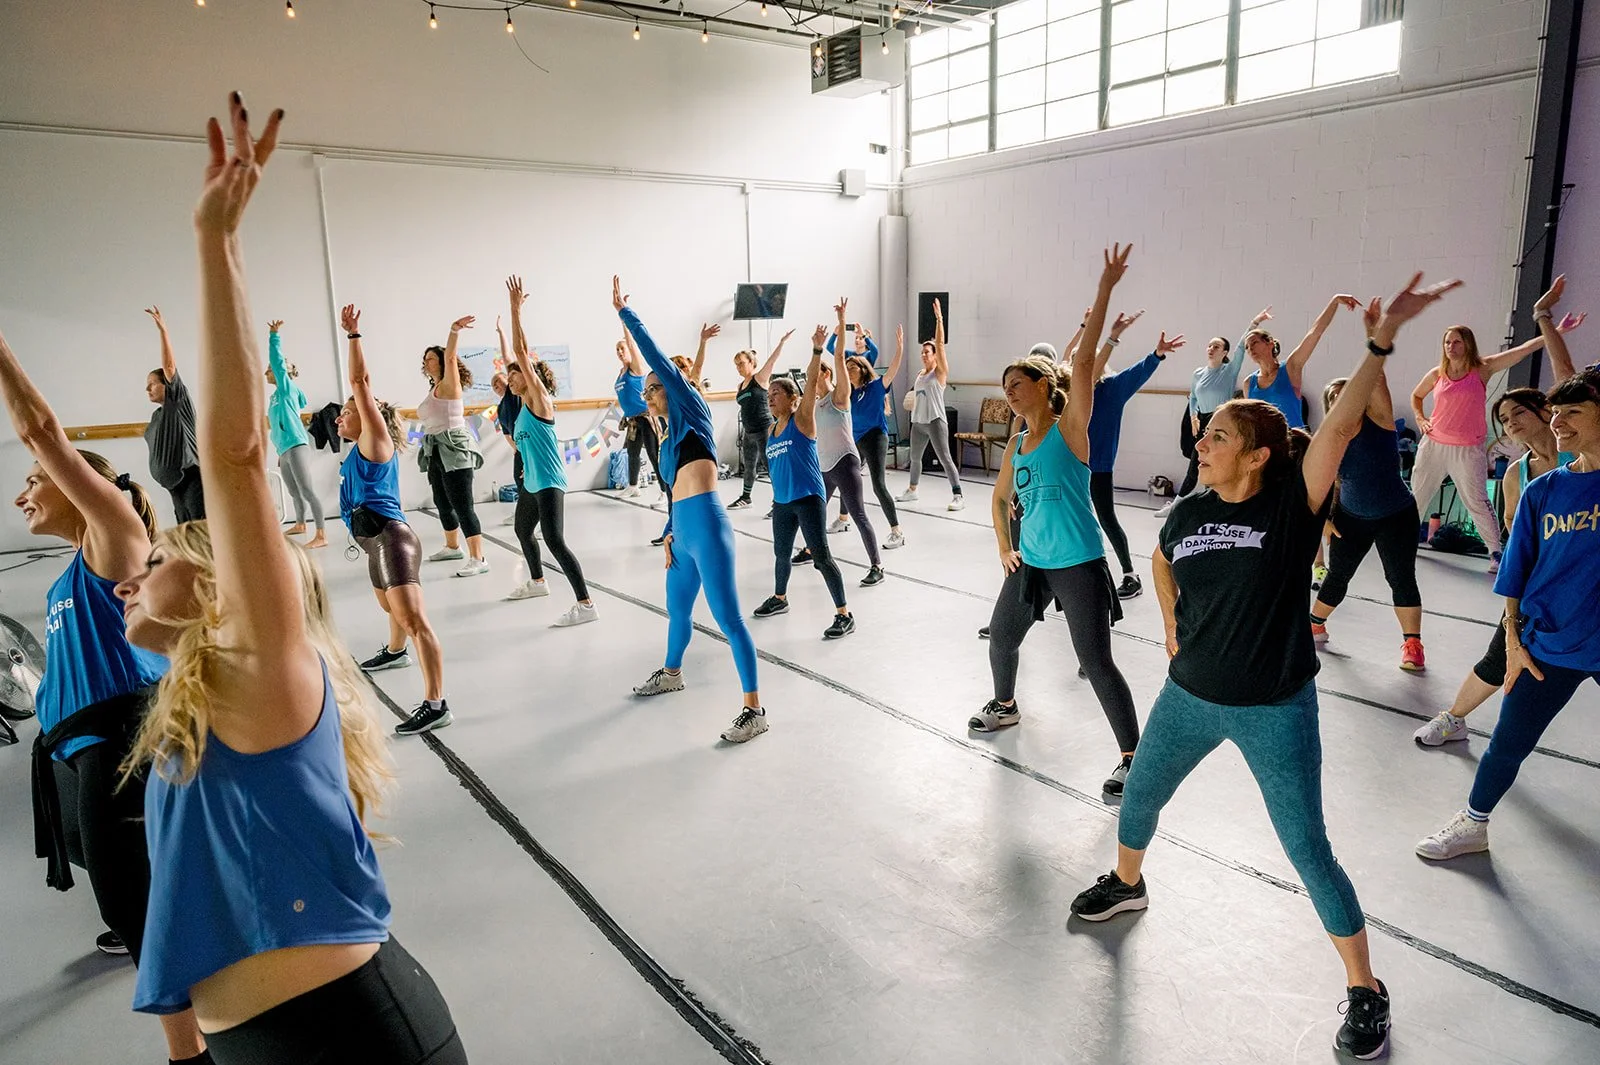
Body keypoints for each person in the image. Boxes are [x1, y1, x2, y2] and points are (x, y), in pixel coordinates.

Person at [113, 96, 466, 1064]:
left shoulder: (261, 671)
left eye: (157, 565)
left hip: (349, 1035)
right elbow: (185, 888)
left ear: (221, 594)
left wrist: (217, 240)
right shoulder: (182, 703)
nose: (131, 581)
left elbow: (232, 458)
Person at [1069, 272, 1463, 1061]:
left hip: (1274, 707)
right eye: (1203, 434)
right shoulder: (1188, 508)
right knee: (1139, 795)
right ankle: (1130, 883)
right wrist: (1175, 620)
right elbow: (1158, 555)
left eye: (1215, 435)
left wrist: (1380, 344)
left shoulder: (1288, 508)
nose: (1200, 444)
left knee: (1307, 847)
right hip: (1188, 695)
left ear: (1254, 454)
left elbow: (1342, 429)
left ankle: (1365, 988)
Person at [4, 331, 208, 1063]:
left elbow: (41, 428)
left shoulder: (114, 536)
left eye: (37, 477)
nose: (24, 489)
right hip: (85, 749)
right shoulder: (67, 575)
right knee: (122, 886)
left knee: (134, 906)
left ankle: (193, 1050)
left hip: (125, 745)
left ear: (79, 486)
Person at [970, 246, 1142, 798]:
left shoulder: (1070, 428)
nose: (1009, 393)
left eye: (1016, 384)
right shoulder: (1016, 444)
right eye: (1005, 388)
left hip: (1077, 561)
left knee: (1095, 660)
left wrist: (1104, 290)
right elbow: (998, 501)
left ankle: (1131, 756)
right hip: (1032, 562)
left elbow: (1086, 361)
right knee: (1001, 636)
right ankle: (1006, 705)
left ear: (1043, 385)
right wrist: (1003, 546)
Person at [1414, 366, 1600, 862]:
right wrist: (1514, 643)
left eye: (1573, 412)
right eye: (1555, 412)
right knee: (1507, 743)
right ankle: (1474, 823)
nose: (1558, 421)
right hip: (1548, 645)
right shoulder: (1542, 490)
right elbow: (1514, 573)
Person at [1412, 276, 1582, 746]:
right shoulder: (1517, 474)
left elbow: (1562, 373)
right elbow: (1521, 542)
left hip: (1589, 589)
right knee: (1497, 657)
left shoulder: (1582, 454)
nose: (1510, 425)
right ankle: (1454, 718)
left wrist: (1547, 322)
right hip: (1543, 592)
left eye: (1518, 415)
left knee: (1474, 505)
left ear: (1546, 411)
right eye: (1504, 421)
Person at [615, 277, 767, 743]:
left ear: (676, 388)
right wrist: (668, 530)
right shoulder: (663, 437)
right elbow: (673, 492)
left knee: (730, 619)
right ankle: (672, 671)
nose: (651, 394)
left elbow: (658, 361)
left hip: (709, 525)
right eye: (648, 392)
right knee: (677, 610)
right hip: (682, 530)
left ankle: (754, 709)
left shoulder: (692, 408)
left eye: (656, 388)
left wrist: (626, 316)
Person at [339, 304, 454, 737]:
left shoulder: (375, 441)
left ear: (368, 417)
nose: (339, 417)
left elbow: (360, 383)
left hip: (392, 539)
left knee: (414, 619)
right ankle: (394, 651)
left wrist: (354, 336)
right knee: (389, 606)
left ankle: (436, 702)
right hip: (374, 543)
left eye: (346, 412)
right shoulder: (354, 452)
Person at [1408, 314, 1561, 573]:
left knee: (1477, 502)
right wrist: (1421, 419)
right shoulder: (1437, 373)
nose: (1451, 347)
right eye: (1447, 342)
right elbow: (1416, 395)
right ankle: (1404, 545)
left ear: (1467, 344)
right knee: (1417, 498)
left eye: (1456, 342)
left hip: (1467, 449)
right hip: (1433, 446)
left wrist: (1555, 330)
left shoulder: (1481, 369)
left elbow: (1522, 350)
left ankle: (1496, 553)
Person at [1308, 367, 1426, 671]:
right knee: (1338, 576)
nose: (1343, 399)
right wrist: (1325, 519)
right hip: (1351, 518)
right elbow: (1320, 486)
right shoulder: (1328, 440)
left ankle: (1413, 644)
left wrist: (1376, 332)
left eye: (1349, 394)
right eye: (1336, 397)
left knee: (1400, 578)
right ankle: (1315, 625)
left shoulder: (1382, 421)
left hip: (1396, 515)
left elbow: (1379, 377)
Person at [750, 313, 857, 638]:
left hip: (809, 500)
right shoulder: (771, 430)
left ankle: (844, 613)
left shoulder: (803, 420)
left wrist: (816, 351)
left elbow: (811, 383)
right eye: (768, 396)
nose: (770, 400)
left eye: (776, 395)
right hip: (782, 503)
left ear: (793, 399)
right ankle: (780, 597)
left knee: (821, 558)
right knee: (781, 554)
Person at [502, 275, 597, 624]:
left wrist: (515, 312)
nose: (510, 379)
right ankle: (538, 581)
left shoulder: (540, 401)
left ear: (530, 377)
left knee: (555, 541)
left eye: (516, 374)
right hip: (532, 481)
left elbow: (521, 352)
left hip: (550, 481)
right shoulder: (521, 408)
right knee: (522, 530)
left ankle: (586, 605)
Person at [1086, 315, 1184, 599]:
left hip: (1099, 468)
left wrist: (1157, 355)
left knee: (1106, 518)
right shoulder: (1072, 393)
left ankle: (1130, 575)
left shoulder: (1112, 388)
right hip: (1071, 466)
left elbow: (1138, 371)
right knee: (1077, 521)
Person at [1155, 311, 1267, 518]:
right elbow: (1193, 397)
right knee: (1195, 466)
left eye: (1216, 346)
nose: (1211, 349)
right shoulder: (1198, 373)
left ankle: (1220, 505)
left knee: (1220, 465)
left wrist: (1254, 323)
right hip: (1202, 422)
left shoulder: (1229, 371)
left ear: (1225, 352)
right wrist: (1193, 417)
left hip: (1223, 422)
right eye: (1209, 345)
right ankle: (1177, 507)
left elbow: (1242, 347)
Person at [417, 315, 488, 577]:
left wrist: (454, 331)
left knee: (462, 504)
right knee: (441, 501)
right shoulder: (434, 387)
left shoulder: (450, 384)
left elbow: (450, 358)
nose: (427, 362)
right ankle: (452, 546)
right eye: (424, 359)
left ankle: (479, 558)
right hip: (435, 449)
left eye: (431, 358)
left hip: (455, 448)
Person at [816, 314, 885, 586]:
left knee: (858, 515)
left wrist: (841, 323)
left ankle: (877, 565)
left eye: (817, 373)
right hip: (824, 465)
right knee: (816, 509)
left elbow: (836, 360)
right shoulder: (816, 400)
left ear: (828, 374)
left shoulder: (839, 395)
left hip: (845, 463)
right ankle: (814, 550)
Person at [1241, 295, 1359, 430]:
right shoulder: (1248, 383)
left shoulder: (1291, 367)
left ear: (1270, 343)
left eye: (1254, 343)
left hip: (1295, 444)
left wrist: (1335, 301)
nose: (1250, 349)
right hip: (1266, 448)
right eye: (1247, 347)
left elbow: (1314, 333)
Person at [264, 319, 328, 549]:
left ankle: (321, 534)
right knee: (293, 491)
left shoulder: (286, 388)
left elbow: (278, 363)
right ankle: (301, 524)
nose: (266, 372)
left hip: (297, 445)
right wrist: (280, 451)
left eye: (270, 369)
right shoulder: (274, 397)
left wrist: (274, 336)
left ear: (285, 373)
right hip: (285, 449)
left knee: (307, 490)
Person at [844, 323, 907, 549]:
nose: (848, 371)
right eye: (846, 368)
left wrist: (900, 348)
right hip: (856, 438)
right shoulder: (850, 394)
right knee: (846, 478)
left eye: (852, 368)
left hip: (875, 437)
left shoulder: (876, 386)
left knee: (878, 485)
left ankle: (896, 531)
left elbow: (893, 369)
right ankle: (843, 520)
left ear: (862, 369)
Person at [898, 300, 964, 511]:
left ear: (935, 356)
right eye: (922, 352)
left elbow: (941, 344)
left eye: (928, 352)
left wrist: (939, 319)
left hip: (935, 421)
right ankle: (912, 490)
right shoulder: (920, 374)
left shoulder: (940, 373)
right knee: (915, 457)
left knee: (945, 458)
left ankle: (958, 495)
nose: (924, 354)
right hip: (918, 422)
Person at [143, 306, 206, 523]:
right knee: (184, 526)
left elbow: (169, 366)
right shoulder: (157, 416)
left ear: (168, 386)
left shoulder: (178, 403)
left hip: (191, 477)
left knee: (199, 527)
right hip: (174, 484)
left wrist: (163, 331)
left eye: (152, 384)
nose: (148, 389)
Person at [728, 332, 789, 509]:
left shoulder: (760, 378)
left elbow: (772, 360)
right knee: (749, 467)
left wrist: (782, 342)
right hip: (749, 432)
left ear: (752, 363)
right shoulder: (740, 386)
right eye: (736, 364)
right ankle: (746, 498)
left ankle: (781, 501)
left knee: (771, 467)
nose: (739, 367)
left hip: (764, 430)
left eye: (742, 363)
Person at [614, 328, 659, 500]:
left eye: (622, 348)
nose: (619, 352)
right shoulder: (621, 372)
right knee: (632, 453)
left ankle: (664, 490)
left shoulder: (637, 367)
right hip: (633, 420)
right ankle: (633, 486)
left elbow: (632, 344)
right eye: (617, 349)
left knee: (653, 454)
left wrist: (623, 321)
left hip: (645, 418)